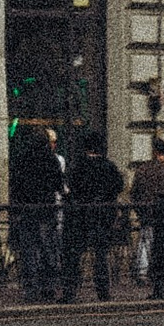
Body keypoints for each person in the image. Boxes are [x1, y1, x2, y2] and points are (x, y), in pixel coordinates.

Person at [64, 126, 126, 301]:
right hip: (103, 217)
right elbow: (119, 186)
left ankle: (70, 292)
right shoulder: (109, 166)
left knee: (74, 255)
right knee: (101, 256)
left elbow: (70, 187)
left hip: (81, 216)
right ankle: (103, 292)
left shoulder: (78, 166)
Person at [8, 119, 64, 300]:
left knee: (29, 251)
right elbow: (59, 185)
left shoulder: (22, 159)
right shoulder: (51, 160)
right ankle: (48, 287)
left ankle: (31, 289)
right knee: (49, 248)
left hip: (27, 210)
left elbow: (15, 185)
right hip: (47, 209)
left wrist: (16, 206)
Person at [129, 139, 164, 282]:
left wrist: (139, 210)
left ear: (154, 152)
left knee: (146, 241)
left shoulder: (142, 170)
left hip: (147, 213)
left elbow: (134, 193)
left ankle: (143, 272)